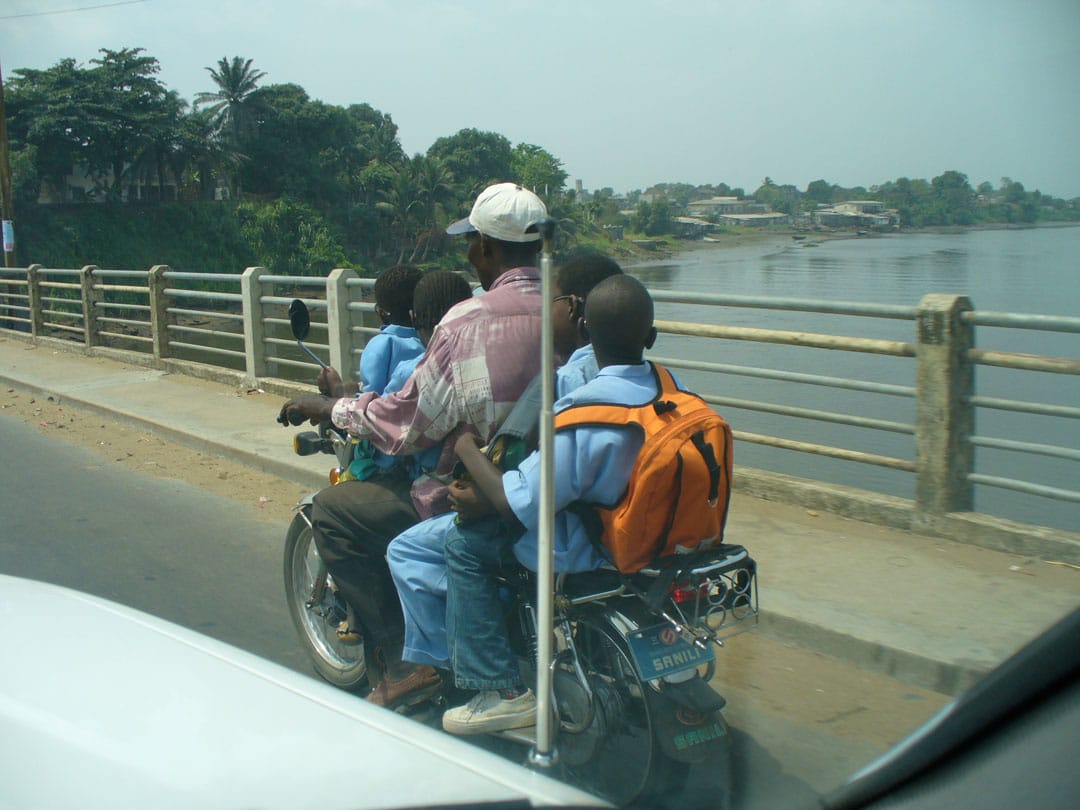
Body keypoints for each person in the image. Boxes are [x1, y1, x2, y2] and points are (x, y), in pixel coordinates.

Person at [278, 183, 547, 707]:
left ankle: (405, 664)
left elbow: (405, 425)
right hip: (551, 485)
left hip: (472, 497)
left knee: (335, 510)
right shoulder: (569, 312)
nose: (469, 253)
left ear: (488, 248)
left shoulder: (467, 322)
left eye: (472, 242)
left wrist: (329, 408)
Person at [384, 253, 625, 696]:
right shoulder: (659, 381)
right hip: (614, 526)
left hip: (561, 529)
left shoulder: (564, 384)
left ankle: (487, 683)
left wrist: (471, 465)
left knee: (451, 545)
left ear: (571, 308)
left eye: (550, 300)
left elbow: (521, 486)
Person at [433, 274, 660, 735]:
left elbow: (514, 501)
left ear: (586, 333)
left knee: (465, 544)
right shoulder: (671, 393)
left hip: (585, 547)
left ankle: (500, 691)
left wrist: (465, 451)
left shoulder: (582, 413)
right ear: (651, 337)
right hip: (657, 533)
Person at [337, 265, 426, 481]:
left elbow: (371, 399)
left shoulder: (382, 344)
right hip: (421, 458)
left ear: (380, 312)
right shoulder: (429, 340)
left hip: (384, 458)